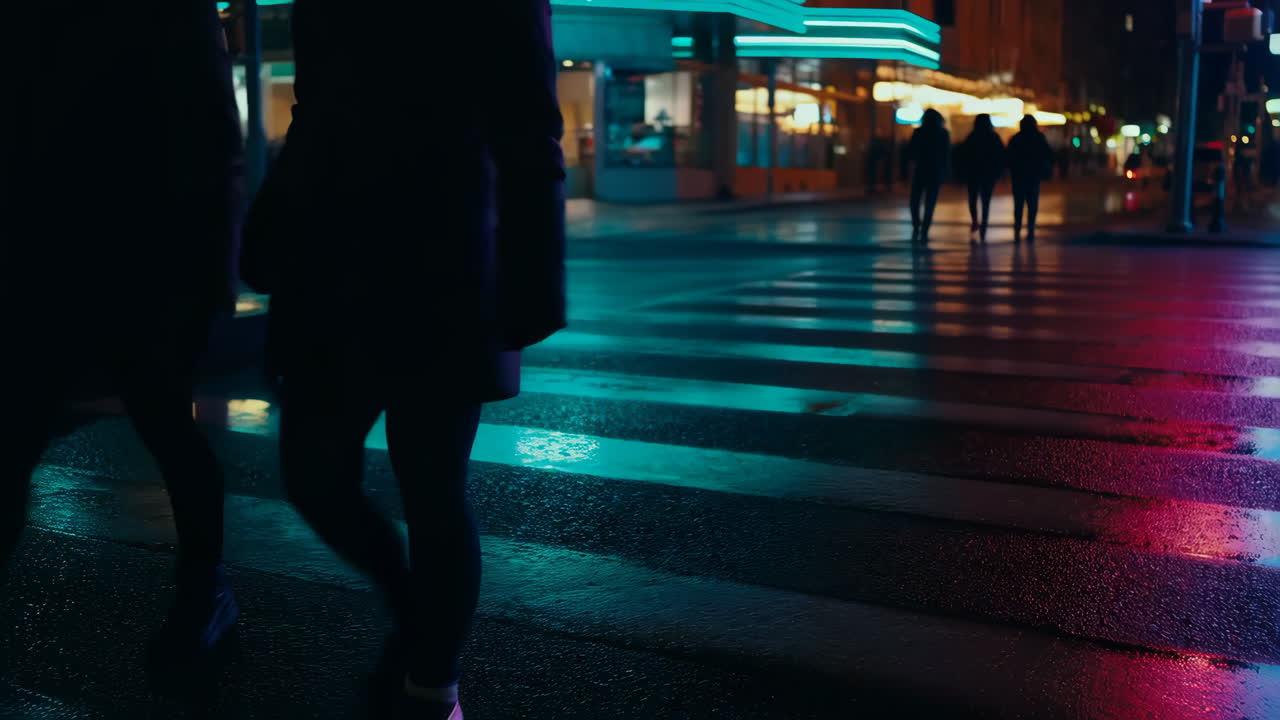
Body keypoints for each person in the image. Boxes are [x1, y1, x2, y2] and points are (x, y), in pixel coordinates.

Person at [240, 2, 566, 718]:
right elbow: (313, 107)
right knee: (316, 474)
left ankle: (432, 682)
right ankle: (418, 627)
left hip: (443, 251)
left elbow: (528, 122)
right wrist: (272, 222)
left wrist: (533, 272)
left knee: (431, 484)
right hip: (340, 251)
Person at [1, 1, 242, 663]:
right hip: (118, 250)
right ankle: (204, 593)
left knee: (137, 421)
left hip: (114, 253)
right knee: (161, 423)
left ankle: (204, 593)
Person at [1007, 114, 1055, 242]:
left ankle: (1017, 230)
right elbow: (1048, 154)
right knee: (1032, 204)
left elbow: (1009, 157)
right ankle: (1030, 230)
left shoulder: (1016, 139)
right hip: (1034, 176)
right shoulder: (1039, 138)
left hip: (1018, 177)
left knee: (1018, 205)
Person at [907, 109, 951, 244]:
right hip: (935, 171)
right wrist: (946, 171)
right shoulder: (943, 134)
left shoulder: (919, 132)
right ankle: (925, 229)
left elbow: (911, 152)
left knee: (915, 200)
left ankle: (916, 225)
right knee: (930, 202)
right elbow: (946, 154)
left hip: (921, 170)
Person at [959, 114, 1005, 243]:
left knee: (972, 198)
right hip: (988, 174)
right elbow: (1000, 155)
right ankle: (984, 222)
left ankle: (975, 220)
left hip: (973, 172)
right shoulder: (993, 137)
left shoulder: (972, 137)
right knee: (986, 200)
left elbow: (964, 154)